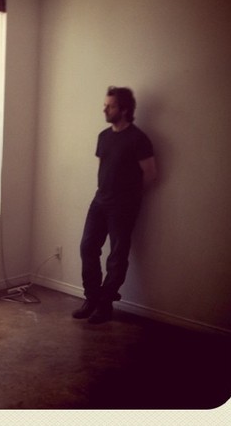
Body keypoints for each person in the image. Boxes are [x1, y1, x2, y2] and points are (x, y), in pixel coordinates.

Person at [73, 86, 156, 324]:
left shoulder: (138, 139)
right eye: (105, 105)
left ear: (124, 109)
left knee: (117, 256)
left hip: (123, 205)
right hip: (100, 201)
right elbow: (104, 168)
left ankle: (105, 304)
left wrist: (129, 197)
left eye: (110, 106)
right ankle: (92, 298)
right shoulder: (104, 136)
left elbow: (150, 174)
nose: (105, 109)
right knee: (87, 247)